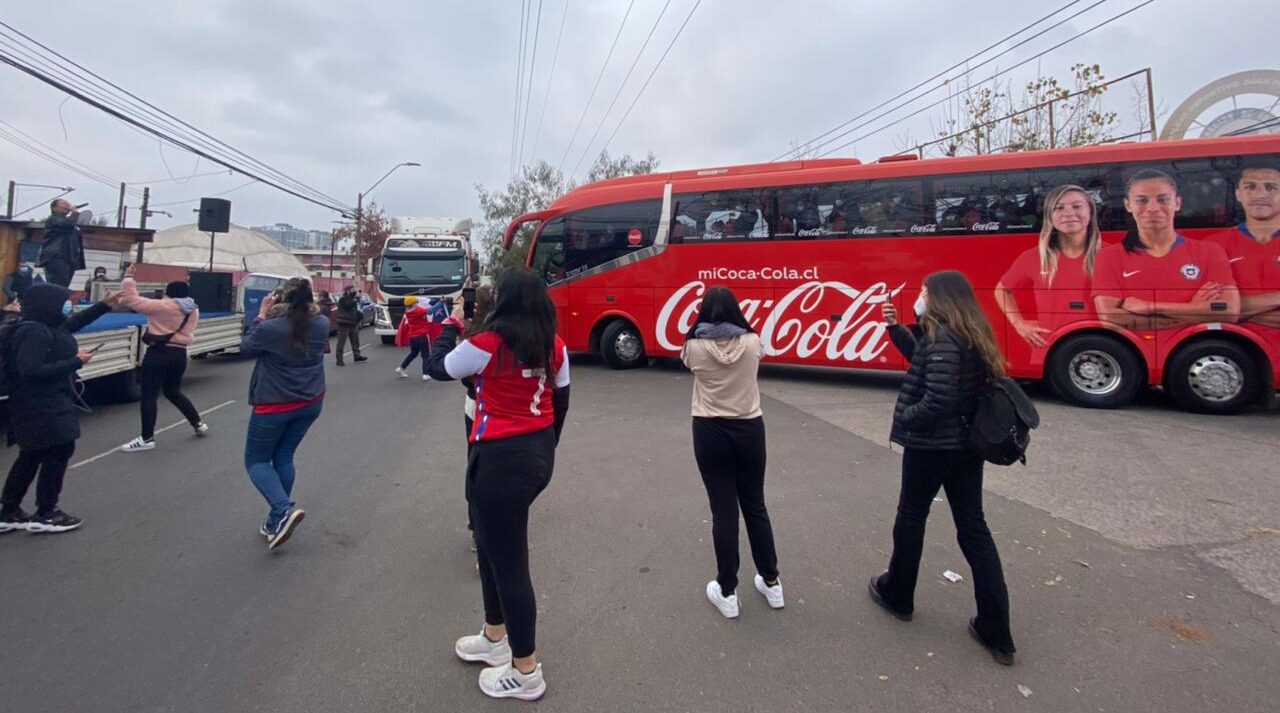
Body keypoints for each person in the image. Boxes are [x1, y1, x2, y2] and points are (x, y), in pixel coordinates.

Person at [426, 269, 570, 701]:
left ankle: (526, 669)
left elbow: (437, 369)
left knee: (510, 566)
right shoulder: (554, 346)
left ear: (501, 301)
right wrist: (544, 450)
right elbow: (561, 402)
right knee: (488, 547)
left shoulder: (483, 345)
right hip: (533, 454)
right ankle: (494, 635)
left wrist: (449, 326)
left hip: (499, 460)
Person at [869, 271, 1016, 665]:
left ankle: (898, 593)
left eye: (922, 292)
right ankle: (996, 627)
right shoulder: (968, 332)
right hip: (967, 449)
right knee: (973, 528)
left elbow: (937, 396)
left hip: (933, 447)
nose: (919, 296)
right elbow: (925, 359)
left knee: (911, 516)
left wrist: (906, 416)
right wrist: (894, 327)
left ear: (938, 297)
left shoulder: (943, 339)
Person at [679, 286, 783, 619]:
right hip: (750, 428)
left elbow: (685, 357)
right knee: (755, 506)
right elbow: (759, 352)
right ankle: (772, 582)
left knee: (724, 512)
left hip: (709, 430)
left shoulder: (694, 347)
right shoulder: (753, 343)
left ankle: (727, 591)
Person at [0, 283, 116, 533]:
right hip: (40, 404)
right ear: (48, 304)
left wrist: (104, 306)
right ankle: (46, 512)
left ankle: (9, 511)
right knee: (58, 450)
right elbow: (30, 371)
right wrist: (75, 361)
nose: (68, 305)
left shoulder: (45, 326)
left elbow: (73, 323)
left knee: (32, 454)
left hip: (41, 402)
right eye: (64, 301)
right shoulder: (35, 333)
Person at [238, 277, 329, 551]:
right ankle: (276, 520)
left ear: (281, 300)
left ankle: (283, 509)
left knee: (256, 461)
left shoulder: (272, 328)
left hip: (275, 404)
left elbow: (245, 348)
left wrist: (261, 314)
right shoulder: (322, 323)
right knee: (283, 457)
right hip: (311, 401)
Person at [1093, 169, 1239, 331]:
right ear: (1128, 205)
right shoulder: (1109, 256)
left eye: (1163, 199)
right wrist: (1194, 310)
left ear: (1177, 203)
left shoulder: (1210, 251)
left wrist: (1151, 307)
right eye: (1142, 200)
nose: (1153, 208)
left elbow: (1229, 311)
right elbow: (1110, 318)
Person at [996, 185, 1103, 347]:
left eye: (1077, 206)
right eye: (1059, 208)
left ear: (1091, 212)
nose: (1068, 213)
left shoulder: (1112, 255)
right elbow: (1002, 290)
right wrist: (1019, 323)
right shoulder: (1032, 257)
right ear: (1050, 216)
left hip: (1105, 347)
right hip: (1051, 351)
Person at [117, 267, 207, 452]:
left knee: (149, 395)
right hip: (180, 354)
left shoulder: (162, 306)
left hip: (159, 353)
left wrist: (128, 278)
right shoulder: (193, 310)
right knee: (173, 392)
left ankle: (147, 438)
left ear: (168, 292)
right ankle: (197, 423)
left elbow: (132, 300)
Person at [1204, 162, 1280, 328]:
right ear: (1238, 194)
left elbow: (1229, 310)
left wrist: (1239, 311)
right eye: (1250, 187)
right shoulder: (1213, 246)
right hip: (1232, 343)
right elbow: (1213, 307)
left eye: (1271, 187)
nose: (1260, 194)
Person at [459, 285, 495, 550]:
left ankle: (477, 528)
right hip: (505, 411)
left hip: (477, 409)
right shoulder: (511, 331)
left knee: (475, 466)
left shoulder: (474, 335)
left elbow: (452, 370)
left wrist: (455, 323)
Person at [37, 199, 86, 288]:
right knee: (56, 287)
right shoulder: (54, 219)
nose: (68, 205)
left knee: (63, 288)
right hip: (57, 257)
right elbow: (68, 225)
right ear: (55, 208)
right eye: (64, 203)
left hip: (68, 258)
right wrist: (74, 213)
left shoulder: (68, 221)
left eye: (68, 203)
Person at [395, 296, 444, 380]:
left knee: (413, 353)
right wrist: (440, 303)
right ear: (413, 303)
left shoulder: (408, 311)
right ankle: (425, 374)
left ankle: (401, 368)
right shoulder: (418, 311)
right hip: (422, 335)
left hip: (413, 337)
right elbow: (431, 310)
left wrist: (436, 300)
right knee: (426, 355)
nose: (417, 303)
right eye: (416, 302)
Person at [333, 285, 367, 367]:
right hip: (344, 324)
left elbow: (355, 310)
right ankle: (339, 359)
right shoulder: (343, 300)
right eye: (352, 289)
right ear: (347, 291)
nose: (354, 291)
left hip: (353, 323)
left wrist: (358, 316)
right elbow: (348, 306)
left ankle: (357, 355)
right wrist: (356, 300)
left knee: (355, 340)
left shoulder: (353, 299)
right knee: (341, 342)